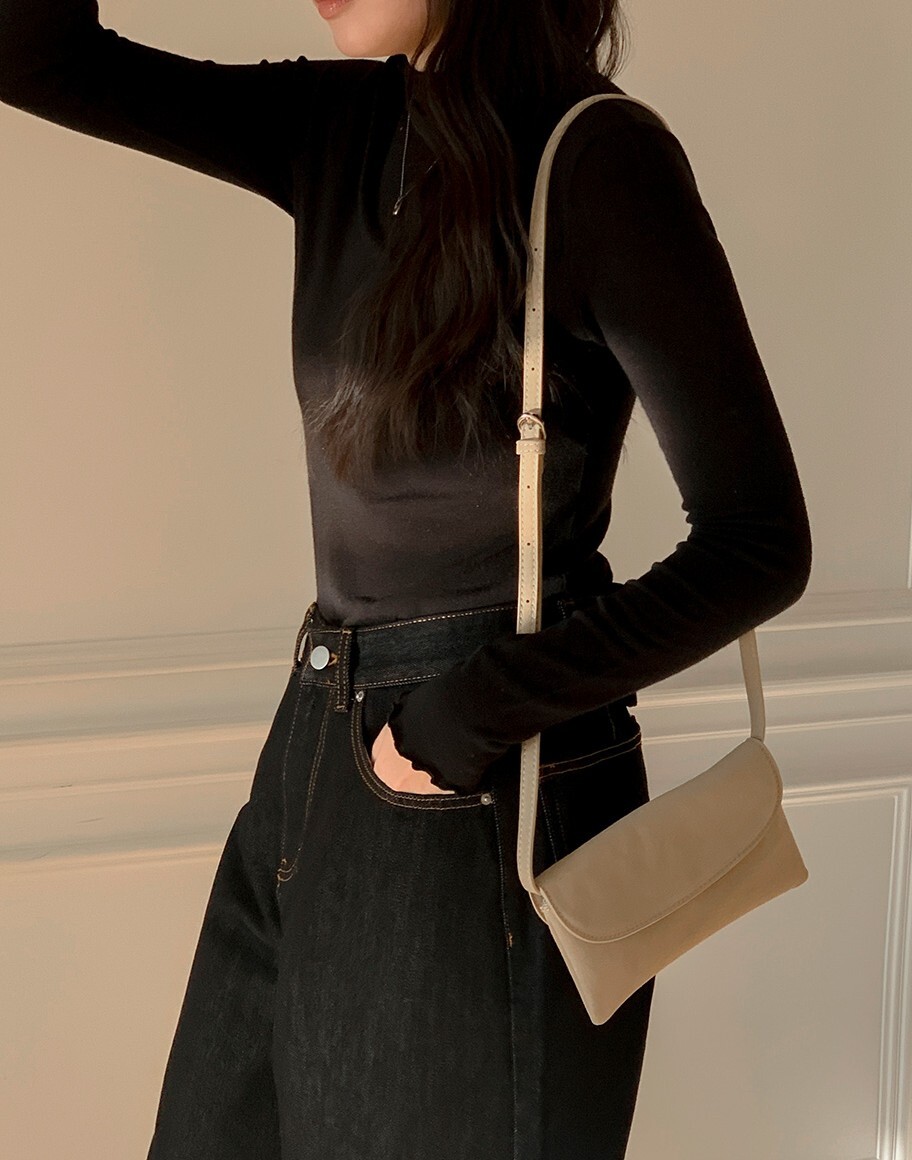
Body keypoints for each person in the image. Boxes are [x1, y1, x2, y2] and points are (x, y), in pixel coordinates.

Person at [0, 0, 813, 1156]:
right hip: (312, 744)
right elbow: (33, 54)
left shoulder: (596, 162)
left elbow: (757, 540)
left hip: (482, 768)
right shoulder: (337, 127)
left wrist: (461, 716)